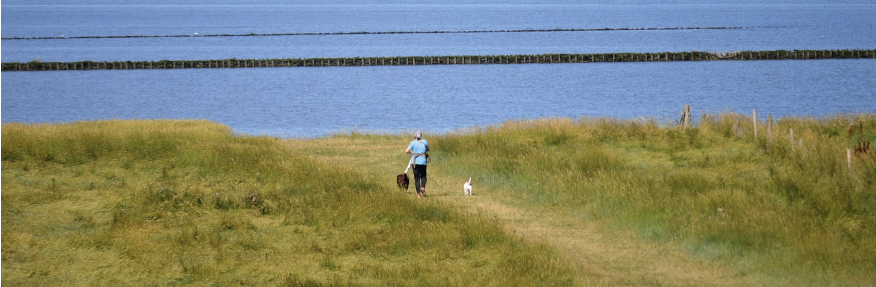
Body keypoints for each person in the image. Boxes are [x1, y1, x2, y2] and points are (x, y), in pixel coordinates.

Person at [405, 130, 430, 198]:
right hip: (423, 162)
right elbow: (428, 149)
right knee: (423, 176)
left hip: (415, 162)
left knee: (416, 177)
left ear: (415, 136)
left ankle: (418, 194)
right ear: (421, 136)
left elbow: (406, 151)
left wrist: (412, 153)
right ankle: (422, 187)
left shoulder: (412, 143)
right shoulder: (424, 141)